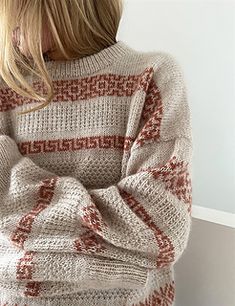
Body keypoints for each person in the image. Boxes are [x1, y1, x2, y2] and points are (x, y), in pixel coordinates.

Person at [0, 0, 193, 305]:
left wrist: (24, 254)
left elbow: (161, 229)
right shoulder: (5, 86)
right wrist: (117, 254)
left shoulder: (151, 78)